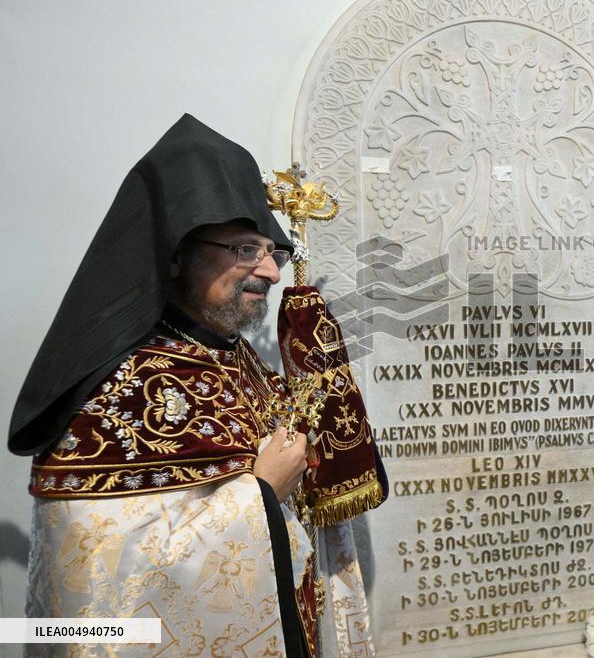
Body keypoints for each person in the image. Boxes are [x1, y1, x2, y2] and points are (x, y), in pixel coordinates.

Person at [9, 114, 387, 656]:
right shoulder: (115, 391)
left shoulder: (240, 360)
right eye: (245, 250)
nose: (273, 274)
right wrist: (259, 496)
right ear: (178, 249)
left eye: (272, 253)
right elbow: (94, 611)